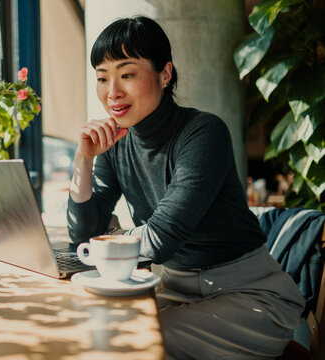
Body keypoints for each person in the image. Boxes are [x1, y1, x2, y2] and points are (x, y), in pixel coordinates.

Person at [67, 15, 305, 359]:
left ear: (165, 73)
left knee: (128, 341)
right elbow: (82, 237)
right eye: (102, 78)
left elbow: (162, 238)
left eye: (127, 74)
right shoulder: (114, 144)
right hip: (175, 292)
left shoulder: (203, 133)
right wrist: (83, 160)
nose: (112, 91)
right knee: (93, 326)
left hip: (250, 298)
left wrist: (108, 239)